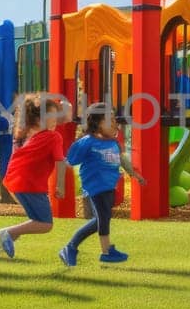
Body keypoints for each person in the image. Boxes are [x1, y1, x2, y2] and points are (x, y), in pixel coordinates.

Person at [61, 104, 145, 267]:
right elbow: (69, 160)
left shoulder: (112, 143)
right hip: (95, 186)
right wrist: (60, 182)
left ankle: (71, 247)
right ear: (98, 123)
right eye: (111, 120)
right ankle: (105, 252)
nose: (115, 123)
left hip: (109, 185)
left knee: (100, 220)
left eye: (115, 120)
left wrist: (134, 174)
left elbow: (122, 159)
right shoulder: (87, 142)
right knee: (102, 219)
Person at [0, 93, 68, 259]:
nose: (55, 120)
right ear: (38, 120)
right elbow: (60, 162)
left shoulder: (26, 137)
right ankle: (6, 233)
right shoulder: (53, 137)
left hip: (14, 182)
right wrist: (60, 185)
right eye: (51, 116)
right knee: (45, 224)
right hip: (30, 185)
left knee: (35, 219)